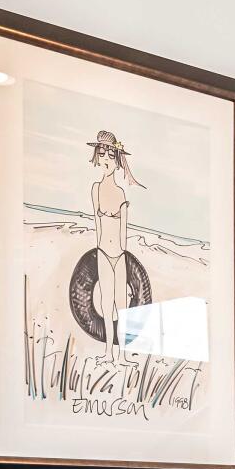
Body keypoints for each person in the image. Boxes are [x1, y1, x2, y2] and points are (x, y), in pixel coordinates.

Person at [71, 129, 149, 344]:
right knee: (106, 301)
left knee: (121, 304)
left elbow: (123, 231)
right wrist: (100, 251)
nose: (106, 159)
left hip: (120, 255)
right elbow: (98, 226)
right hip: (104, 252)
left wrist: (122, 254)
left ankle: (121, 354)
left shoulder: (121, 194)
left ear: (118, 162)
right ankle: (108, 353)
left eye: (111, 156)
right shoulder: (95, 189)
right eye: (102, 154)